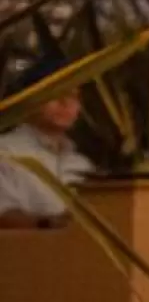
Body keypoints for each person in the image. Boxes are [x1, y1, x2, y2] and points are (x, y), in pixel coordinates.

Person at [0, 71, 92, 228]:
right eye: (55, 94)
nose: (65, 103)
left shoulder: (82, 164)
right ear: (30, 99)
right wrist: (50, 224)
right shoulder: (6, 151)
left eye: (73, 96)